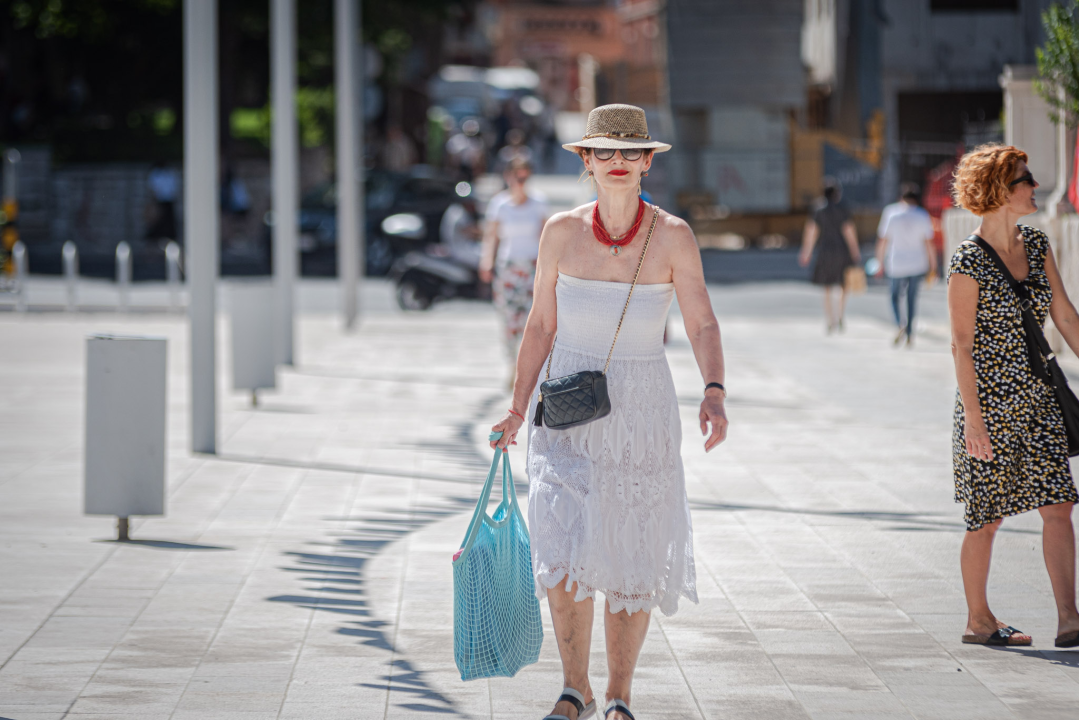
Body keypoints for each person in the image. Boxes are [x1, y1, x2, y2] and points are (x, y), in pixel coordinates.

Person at [489, 104, 728, 720]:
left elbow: (701, 319)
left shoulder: (673, 234)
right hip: (566, 406)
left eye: (630, 152)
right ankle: (576, 689)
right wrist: (516, 410)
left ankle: (620, 694)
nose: (617, 163)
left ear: (648, 161)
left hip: (640, 412)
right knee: (564, 553)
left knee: (630, 557)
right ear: (586, 162)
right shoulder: (560, 233)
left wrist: (714, 389)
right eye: (605, 152)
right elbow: (540, 323)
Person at [947, 143, 1079, 649]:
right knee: (987, 515)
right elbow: (960, 346)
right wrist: (975, 422)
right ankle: (978, 620)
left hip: (1040, 399)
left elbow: (1064, 315)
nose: (1035, 187)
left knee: (1060, 504)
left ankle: (1069, 616)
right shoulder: (967, 261)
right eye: (1026, 180)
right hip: (989, 405)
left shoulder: (1039, 243)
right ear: (1001, 190)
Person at [479, 157, 549, 386]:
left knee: (531, 320)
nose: (521, 182)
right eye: (517, 177)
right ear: (508, 177)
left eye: (525, 177)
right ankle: (512, 365)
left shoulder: (538, 202)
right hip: (508, 267)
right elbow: (492, 236)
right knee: (509, 320)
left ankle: (528, 368)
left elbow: (545, 237)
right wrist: (486, 261)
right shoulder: (499, 204)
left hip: (531, 267)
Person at [875, 182, 936, 346]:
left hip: (897, 263)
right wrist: (934, 266)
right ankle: (910, 333)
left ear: (901, 197)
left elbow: (883, 240)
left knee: (895, 297)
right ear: (916, 199)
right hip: (917, 263)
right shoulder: (922, 215)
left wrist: (879, 262)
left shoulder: (891, 213)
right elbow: (929, 243)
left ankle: (899, 323)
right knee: (911, 299)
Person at [799, 179, 862, 333]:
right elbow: (849, 231)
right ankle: (840, 314)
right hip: (842, 251)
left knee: (826, 287)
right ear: (837, 193)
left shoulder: (817, 209)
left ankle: (830, 319)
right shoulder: (842, 208)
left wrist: (806, 252)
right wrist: (855, 251)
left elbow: (812, 232)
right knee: (843, 285)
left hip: (825, 251)